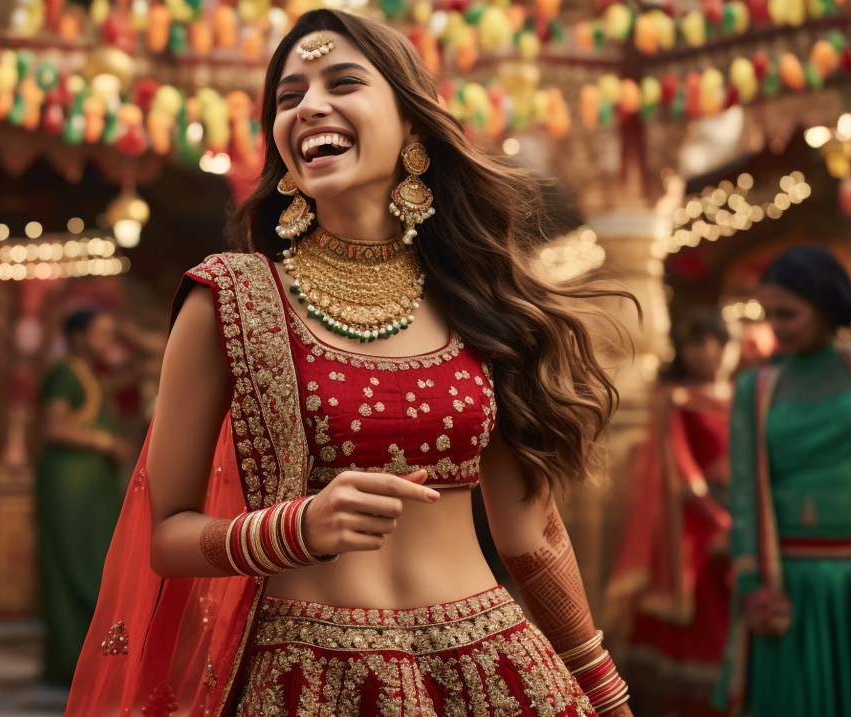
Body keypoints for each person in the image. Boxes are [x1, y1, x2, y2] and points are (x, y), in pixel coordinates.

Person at [66, 10, 635, 716]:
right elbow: (167, 535)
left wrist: (603, 691)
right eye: (288, 96)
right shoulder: (232, 300)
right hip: (306, 679)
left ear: (413, 129)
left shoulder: (479, 297)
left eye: (342, 83)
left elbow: (531, 534)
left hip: (490, 668)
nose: (310, 107)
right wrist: (292, 529)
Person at [715, 241, 851, 717]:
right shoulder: (757, 387)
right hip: (787, 580)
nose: (776, 327)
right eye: (769, 314)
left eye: (788, 314)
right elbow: (748, 492)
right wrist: (753, 583)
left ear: (825, 305)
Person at [608, 308, 733, 716]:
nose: (698, 353)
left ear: (724, 346)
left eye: (706, 342)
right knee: (701, 607)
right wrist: (716, 515)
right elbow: (679, 464)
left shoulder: (742, 394)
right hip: (696, 518)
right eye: (690, 345)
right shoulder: (676, 398)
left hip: (743, 506)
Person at [35, 310, 125, 685]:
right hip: (69, 487)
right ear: (77, 335)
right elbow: (52, 427)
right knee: (72, 566)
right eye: (101, 332)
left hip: (92, 490)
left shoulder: (92, 375)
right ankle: (70, 665)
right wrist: (106, 442)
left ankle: (93, 663)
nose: (108, 341)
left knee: (97, 565)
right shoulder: (65, 373)